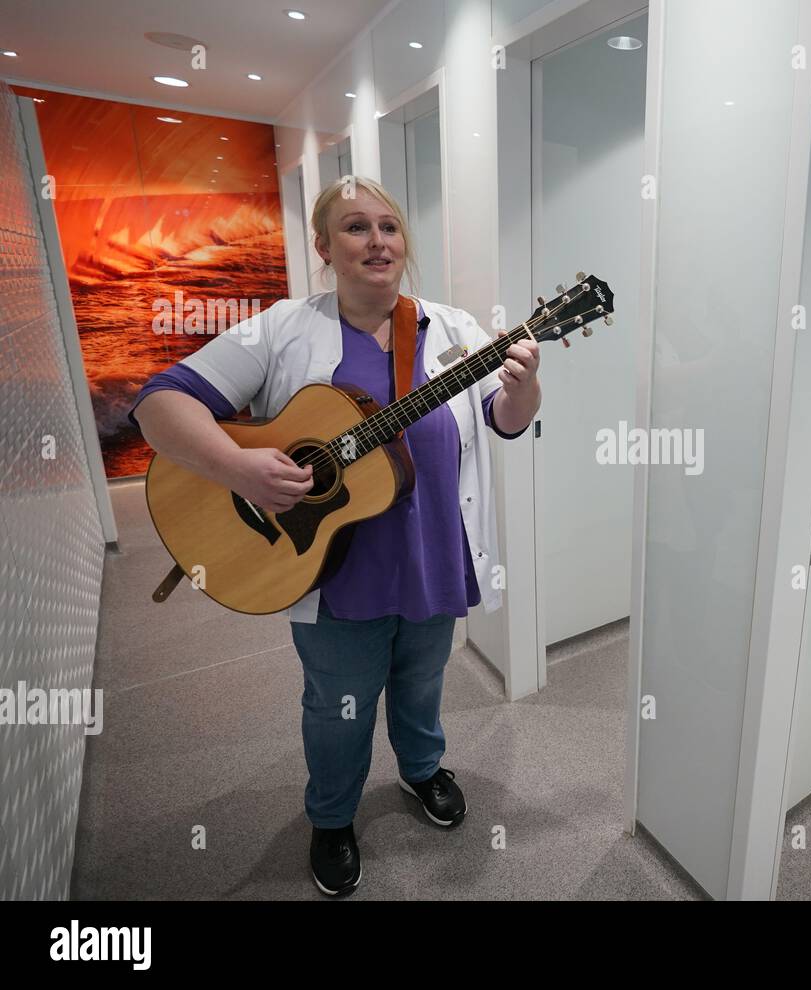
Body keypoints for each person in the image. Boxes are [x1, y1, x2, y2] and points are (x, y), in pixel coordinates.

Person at [129, 176, 541, 896]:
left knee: (422, 680)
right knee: (337, 702)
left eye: (389, 227)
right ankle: (331, 816)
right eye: (355, 228)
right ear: (324, 247)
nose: (377, 241)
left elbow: (505, 417)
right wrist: (238, 468)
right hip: (329, 566)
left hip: (434, 551)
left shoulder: (454, 328)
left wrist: (525, 386)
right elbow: (158, 405)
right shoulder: (281, 328)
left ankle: (421, 770)